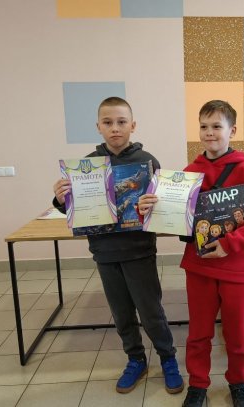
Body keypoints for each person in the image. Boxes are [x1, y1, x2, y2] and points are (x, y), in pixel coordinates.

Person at [138, 100, 244, 407]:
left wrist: (231, 243)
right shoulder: (189, 174)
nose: (209, 132)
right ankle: (198, 384)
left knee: (238, 333)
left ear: (232, 131)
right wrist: (147, 209)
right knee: (199, 332)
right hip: (200, 267)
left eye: (217, 126)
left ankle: (238, 381)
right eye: (204, 126)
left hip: (237, 269)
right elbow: (172, 218)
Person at [52, 97, 184, 395]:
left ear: (132, 125)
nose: (115, 128)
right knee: (122, 313)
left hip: (139, 251)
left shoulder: (147, 161)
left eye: (121, 122)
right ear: (98, 126)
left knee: (151, 312)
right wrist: (61, 199)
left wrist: (155, 204)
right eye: (108, 122)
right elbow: (76, 208)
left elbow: (162, 207)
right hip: (105, 253)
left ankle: (167, 358)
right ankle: (135, 359)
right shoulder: (86, 165)